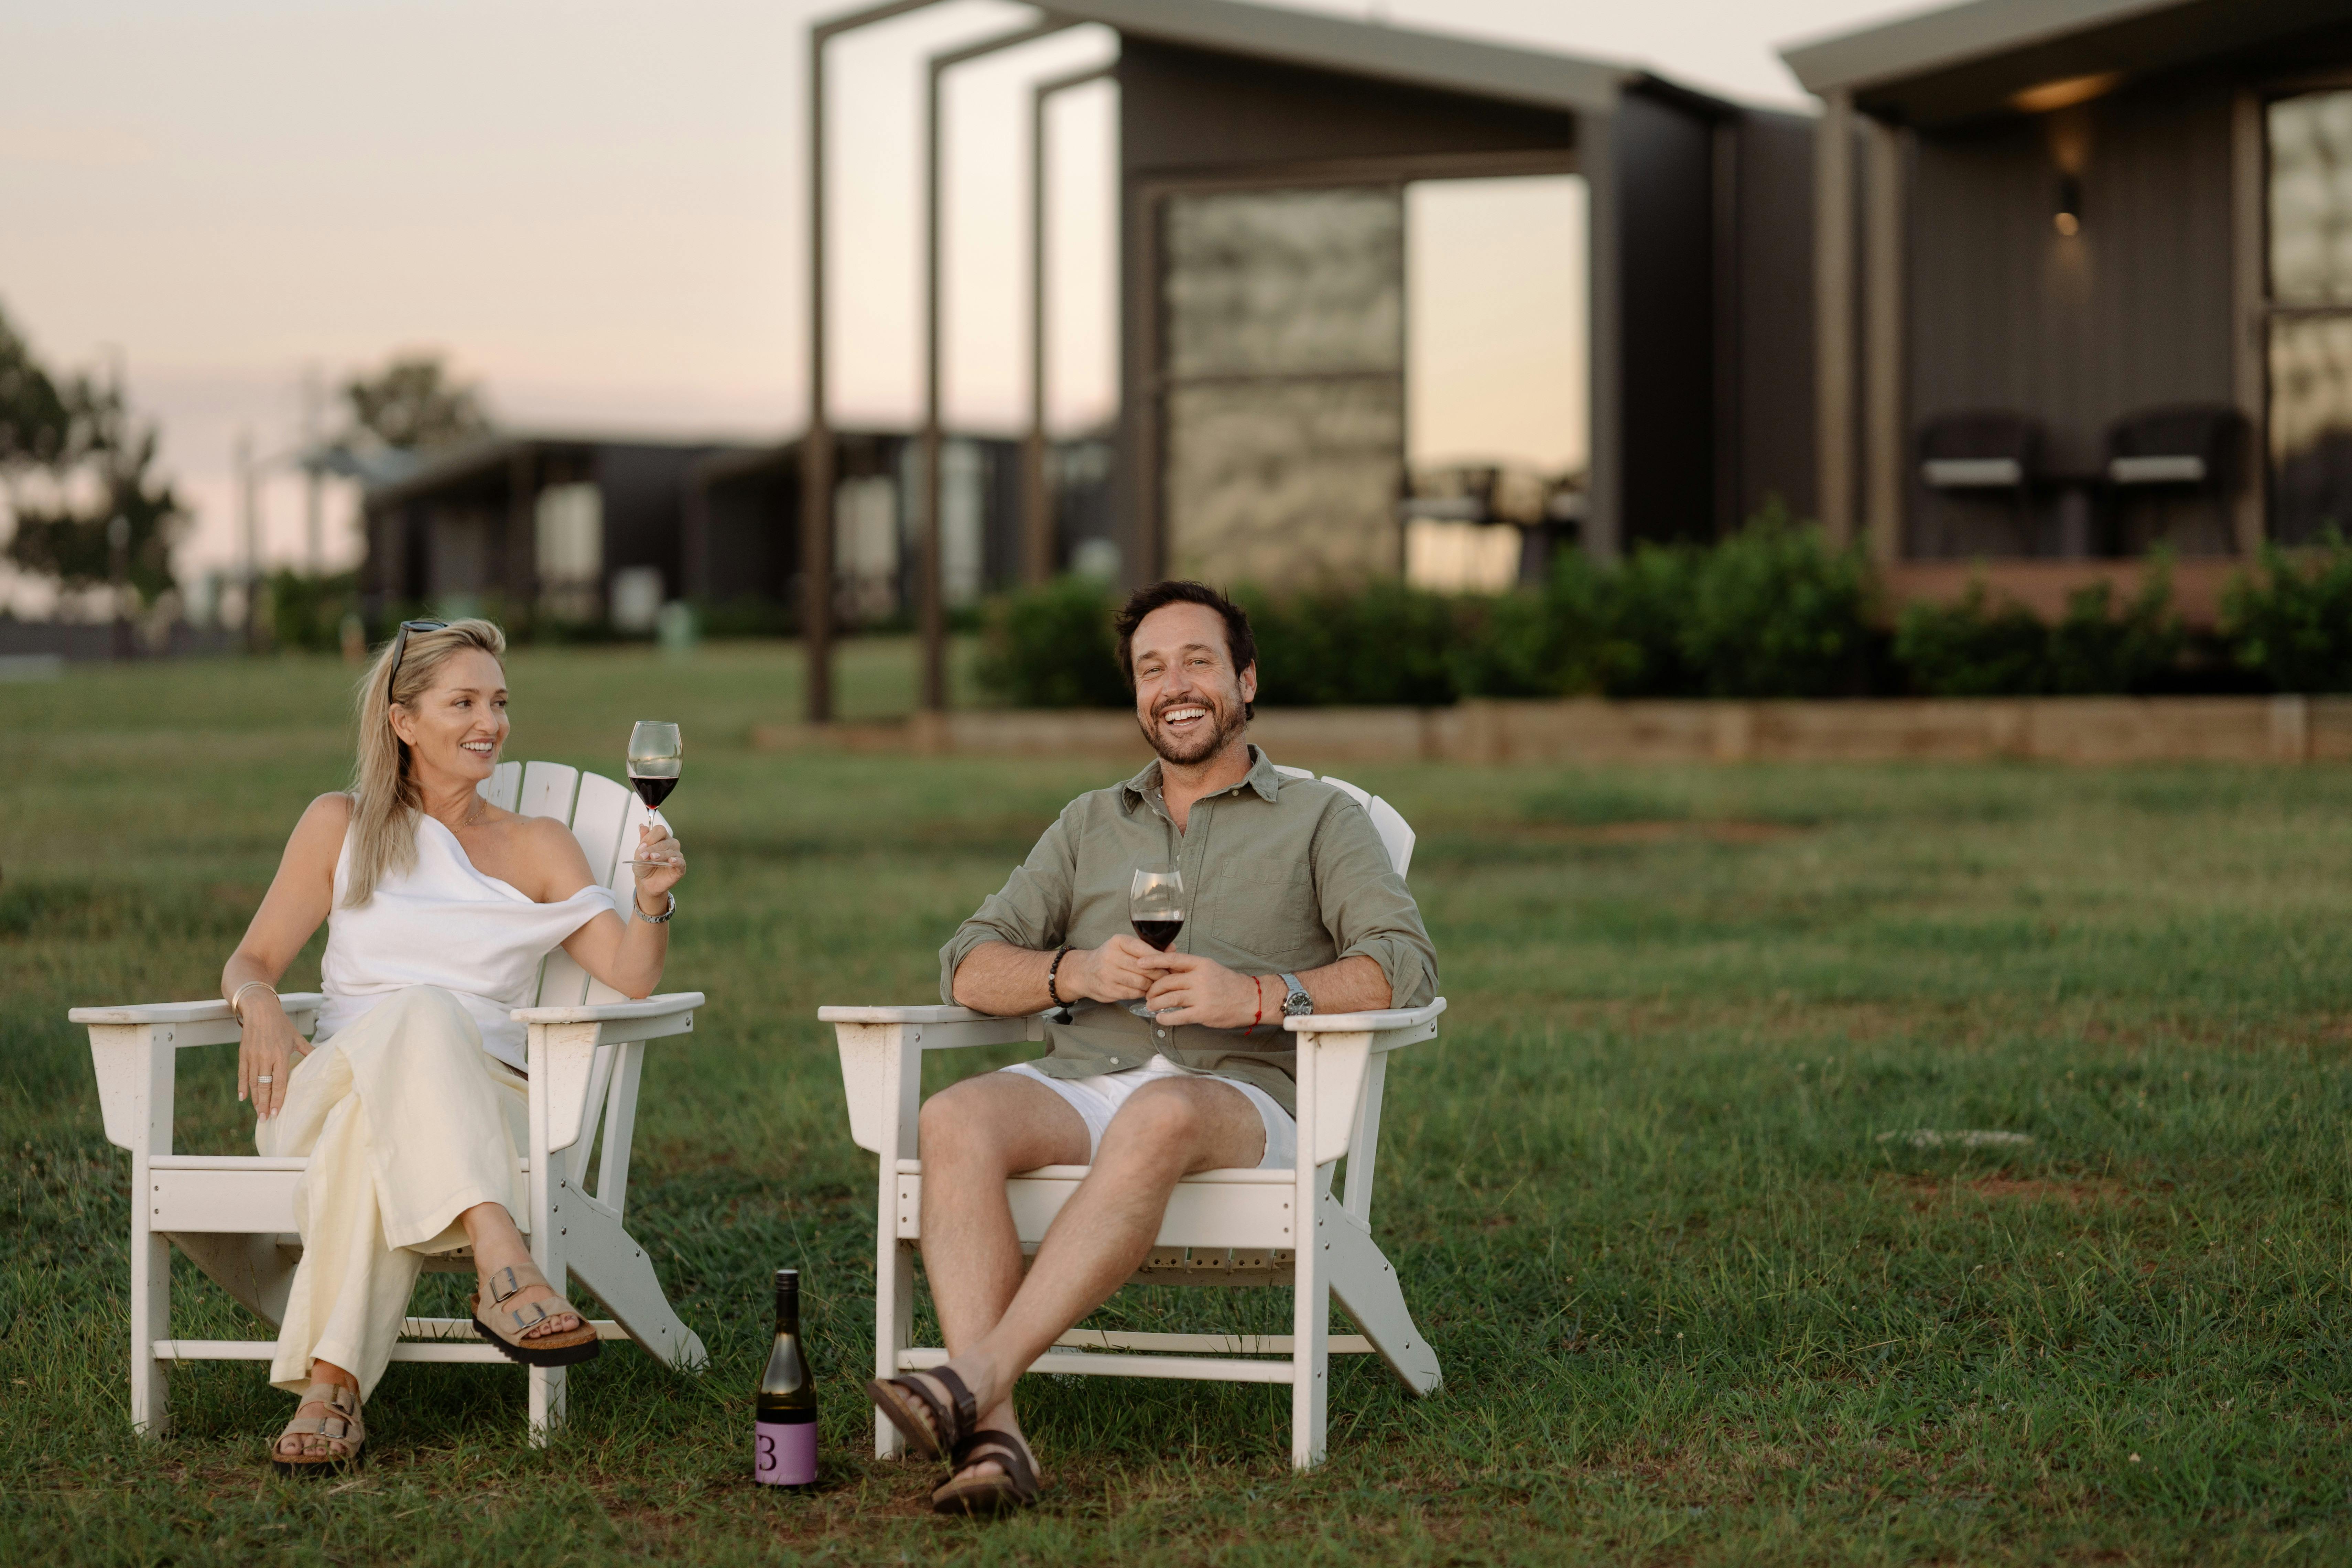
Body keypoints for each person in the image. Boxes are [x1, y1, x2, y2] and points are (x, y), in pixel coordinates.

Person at [866, 580, 1437, 1515]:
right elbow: (968, 964)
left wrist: (1257, 995)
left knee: (1159, 1110)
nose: (1175, 685)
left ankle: (972, 1378)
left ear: (1246, 682)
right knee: (954, 1114)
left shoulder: (1321, 818)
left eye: (1199, 662)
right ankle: (997, 1434)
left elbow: (1402, 962)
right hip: (1090, 1077)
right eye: (1151, 668)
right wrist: (1076, 974)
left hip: (1241, 1100)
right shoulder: (1090, 823)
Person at [220, 618, 685, 1475]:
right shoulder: (340, 824)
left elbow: (631, 976)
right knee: (419, 1015)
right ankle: (502, 1254)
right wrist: (257, 1002)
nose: (491, 723)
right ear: (404, 722)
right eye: (463, 702)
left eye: (500, 703)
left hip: (486, 1108)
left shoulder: (539, 844)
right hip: (322, 1103)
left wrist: (652, 900)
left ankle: (332, 1390)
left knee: (401, 1073)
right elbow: (254, 958)